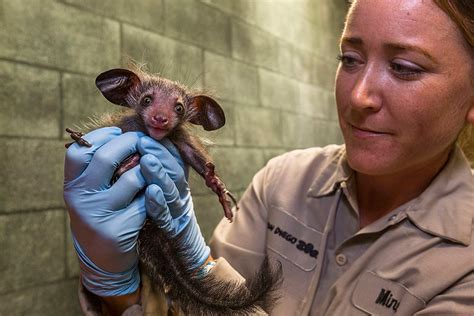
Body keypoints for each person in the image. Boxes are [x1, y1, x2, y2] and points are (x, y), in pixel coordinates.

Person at [64, 0, 474, 314]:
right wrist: (113, 285)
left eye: (404, 67)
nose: (359, 96)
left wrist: (199, 266)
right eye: (349, 59)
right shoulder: (284, 181)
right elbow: (180, 307)